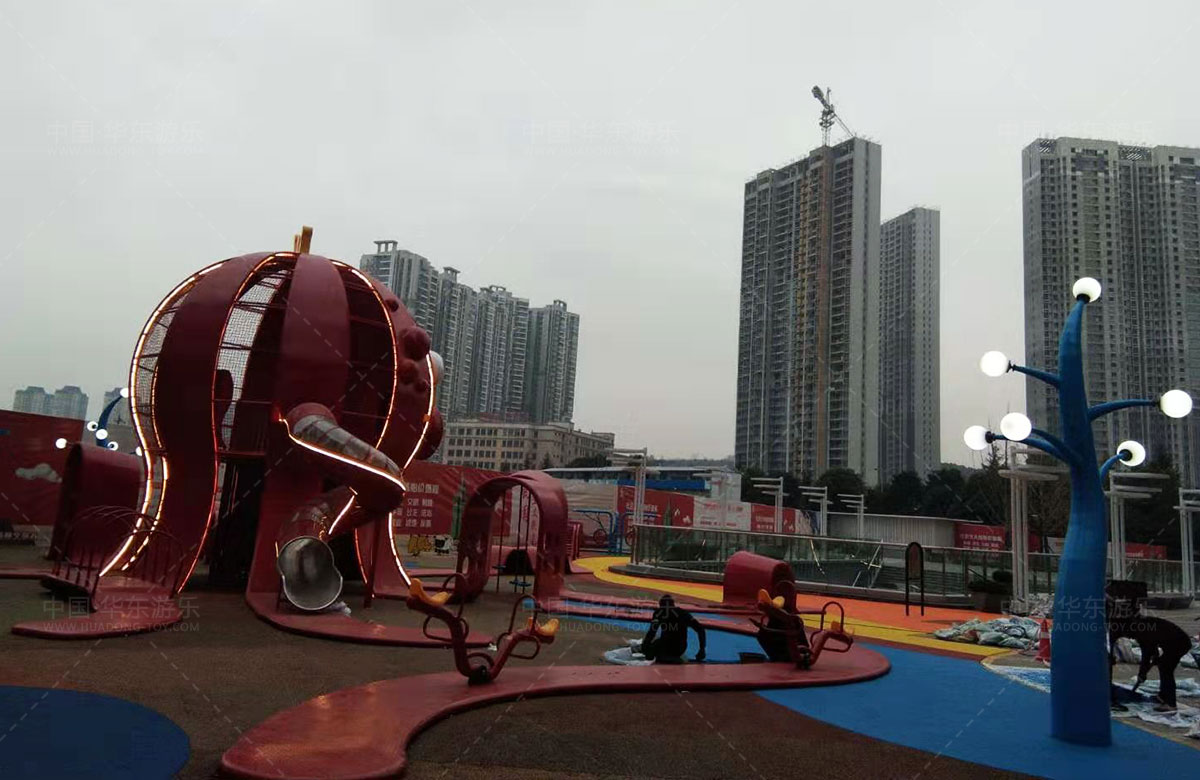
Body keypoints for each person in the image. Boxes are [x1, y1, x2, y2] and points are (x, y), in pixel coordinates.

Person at [1109, 613, 1192, 711]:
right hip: (1174, 642)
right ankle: (1162, 696)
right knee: (1163, 665)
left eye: (1127, 635)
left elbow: (1147, 655)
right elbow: (1153, 649)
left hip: (1179, 643)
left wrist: (1142, 673)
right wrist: (1154, 658)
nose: (1130, 638)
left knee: (1166, 669)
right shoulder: (1140, 626)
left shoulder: (1142, 631)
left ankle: (1170, 703)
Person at [638, 595, 706, 664]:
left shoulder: (662, 613)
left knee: (651, 650)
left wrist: (645, 646)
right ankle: (667, 656)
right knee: (652, 647)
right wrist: (702, 649)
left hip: (672, 646)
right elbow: (700, 629)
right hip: (676, 646)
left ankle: (665, 657)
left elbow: (652, 632)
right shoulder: (682, 613)